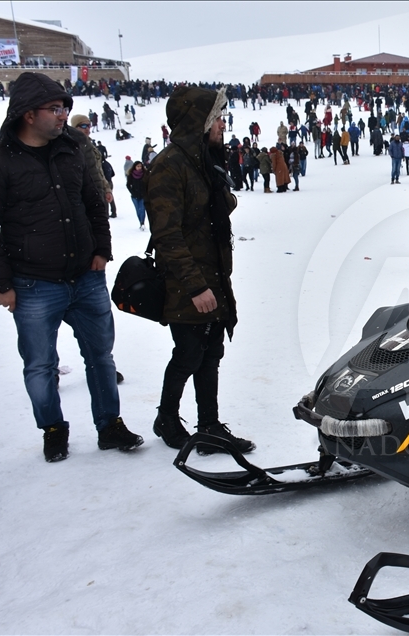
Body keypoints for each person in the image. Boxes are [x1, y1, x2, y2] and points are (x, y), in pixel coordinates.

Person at [0, 72, 143, 462]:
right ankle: (53, 429)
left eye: (65, 107)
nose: (64, 114)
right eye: (55, 108)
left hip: (86, 275)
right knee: (39, 365)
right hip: (32, 283)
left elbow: (94, 201)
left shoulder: (73, 147)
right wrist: (1, 283)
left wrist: (102, 250)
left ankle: (110, 425)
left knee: (101, 356)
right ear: (28, 114)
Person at [145, 85, 254, 455]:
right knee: (190, 353)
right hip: (187, 281)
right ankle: (167, 418)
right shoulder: (170, 165)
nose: (223, 124)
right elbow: (167, 234)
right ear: (199, 122)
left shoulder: (203, 160)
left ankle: (209, 425)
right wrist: (195, 286)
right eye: (216, 117)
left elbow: (210, 212)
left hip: (213, 275)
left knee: (210, 353)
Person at [126, 161, 148, 229]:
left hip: (143, 195)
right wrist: (132, 192)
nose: (139, 168)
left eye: (140, 166)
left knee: (142, 209)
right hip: (134, 195)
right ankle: (140, 222)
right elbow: (128, 185)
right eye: (138, 166)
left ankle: (142, 222)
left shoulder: (145, 174)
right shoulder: (131, 175)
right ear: (135, 167)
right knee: (138, 210)